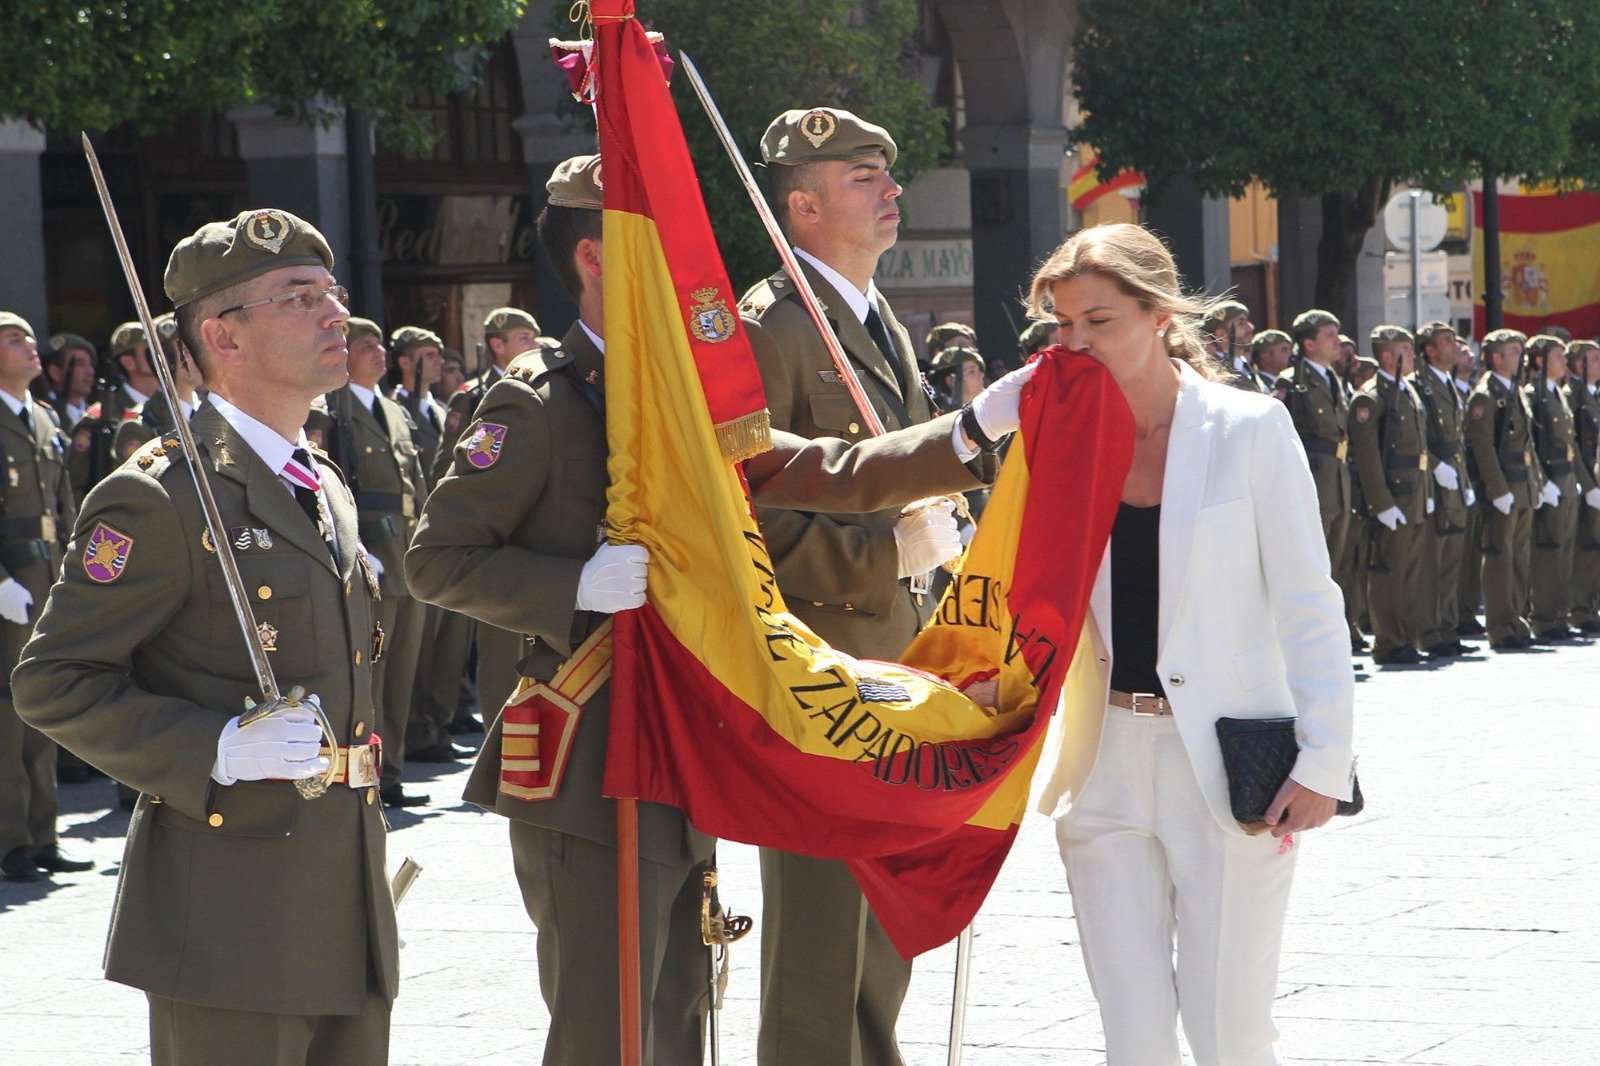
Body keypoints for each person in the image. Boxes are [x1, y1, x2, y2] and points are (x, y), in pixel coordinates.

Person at [406, 154, 1020, 1066]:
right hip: (590, 751)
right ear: (596, 258)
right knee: (608, 1033)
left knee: (680, 1010)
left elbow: (819, 467)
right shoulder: (536, 401)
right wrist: (573, 585)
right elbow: (435, 561)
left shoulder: (687, 395)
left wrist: (968, 432)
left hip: (681, 741)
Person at [13, 208, 398, 1064]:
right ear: (223, 335)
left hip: (344, 896)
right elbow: (53, 680)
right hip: (231, 916)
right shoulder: (159, 498)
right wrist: (216, 746)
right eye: (299, 297)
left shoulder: (321, 481)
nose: (335, 311)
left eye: (330, 290)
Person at [1027, 223, 1355, 1066]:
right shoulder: (1056, 439)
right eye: (1062, 325)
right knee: (1131, 1037)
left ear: (1160, 315)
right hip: (1102, 763)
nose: (1077, 342)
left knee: (1229, 1031)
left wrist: (1324, 760)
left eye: (1098, 321)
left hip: (1229, 762)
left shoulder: (1248, 430)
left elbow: (1309, 604)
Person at [740, 106, 991, 1066]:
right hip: (821, 674)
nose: (890, 188)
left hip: (898, 664)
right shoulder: (772, 330)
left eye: (887, 170)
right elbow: (743, 519)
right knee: (820, 931)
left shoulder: (872, 319)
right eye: (861, 176)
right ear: (801, 205)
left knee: (882, 922)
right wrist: (888, 556)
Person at [307, 316, 432, 806]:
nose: (378, 352)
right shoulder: (332, 411)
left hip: (406, 554)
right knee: (372, 675)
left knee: (400, 674)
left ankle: (393, 771)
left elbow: (414, 485)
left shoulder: (394, 412)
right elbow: (332, 486)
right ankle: (368, 773)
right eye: (365, 345)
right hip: (371, 554)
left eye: (381, 344)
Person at [0, 311, 85, 884]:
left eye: (30, 338)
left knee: (45, 699)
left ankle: (44, 832)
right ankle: (10, 841)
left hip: (50, 576)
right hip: (11, 581)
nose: (31, 347)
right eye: (14, 340)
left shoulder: (44, 417)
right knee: (8, 712)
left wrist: (81, 574)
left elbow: (65, 504)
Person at [434, 306, 546, 731]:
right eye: (523, 339)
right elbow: (450, 466)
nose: (533, 346)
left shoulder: (544, 388)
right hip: (497, 537)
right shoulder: (473, 396)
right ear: (497, 345)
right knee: (500, 649)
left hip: (537, 535)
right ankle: (499, 749)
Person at [1274, 310, 1357, 659]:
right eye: (1329, 335)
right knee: (1314, 562)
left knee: (1338, 558)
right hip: (1314, 476)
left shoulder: (1332, 378)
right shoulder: (1293, 380)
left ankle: (1333, 636)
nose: (1337, 341)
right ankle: (1310, 643)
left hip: (1337, 476)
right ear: (1309, 344)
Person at [1347, 326, 1431, 665]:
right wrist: (1381, 504)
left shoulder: (1406, 390)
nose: (1412, 356)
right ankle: (1389, 641)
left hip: (1413, 492)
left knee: (1409, 570)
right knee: (1389, 571)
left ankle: (1405, 636)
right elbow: (1366, 455)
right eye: (1406, 350)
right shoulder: (1371, 396)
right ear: (1387, 356)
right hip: (1393, 496)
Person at [1465, 329, 1543, 650]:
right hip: (1505, 486)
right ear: (1496, 357)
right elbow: (1483, 447)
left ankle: (1516, 617)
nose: (1519, 356)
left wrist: (1536, 483)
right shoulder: (1486, 395)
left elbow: (1527, 444)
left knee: (1520, 555)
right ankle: (1500, 626)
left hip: (1522, 485)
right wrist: (1497, 489)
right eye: (1513, 351)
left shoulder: (1515, 390)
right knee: (1500, 555)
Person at [1410, 322, 1475, 658]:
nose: (1454, 346)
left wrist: (1463, 481)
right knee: (1432, 563)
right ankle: (1428, 631)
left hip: (1455, 478)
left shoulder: (1448, 383)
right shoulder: (1419, 385)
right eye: (1446, 342)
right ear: (1430, 351)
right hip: (1433, 482)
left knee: (1451, 560)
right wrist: (1437, 466)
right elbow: (1417, 437)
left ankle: (1447, 628)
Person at [1523, 334, 1582, 640]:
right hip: (1550, 478)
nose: (1563, 362)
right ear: (1538, 360)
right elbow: (1530, 443)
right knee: (1548, 552)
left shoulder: (1556, 393)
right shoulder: (1533, 394)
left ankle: (1560, 615)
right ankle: (1544, 619)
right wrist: (1542, 483)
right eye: (1557, 356)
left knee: (1564, 552)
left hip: (1566, 477)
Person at [66, 321, 160, 500]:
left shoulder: (172, 407)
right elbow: (76, 487)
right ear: (128, 361)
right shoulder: (98, 419)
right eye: (149, 348)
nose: (159, 352)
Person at [1564, 339, 1600, 632]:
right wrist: (1588, 485)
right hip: (1584, 480)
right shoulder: (1571, 396)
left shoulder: (1591, 394)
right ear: (1579, 365)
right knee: (1586, 548)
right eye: (1595, 359)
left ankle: (1590, 606)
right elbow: (1572, 446)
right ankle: (1581, 610)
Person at [1203, 299, 1266, 391]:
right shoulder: (1214, 373)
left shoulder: (1246, 367)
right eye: (1241, 323)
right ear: (1221, 335)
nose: (1251, 328)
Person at [926, 343, 988, 412]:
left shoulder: (987, 408)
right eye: (972, 371)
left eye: (979, 370)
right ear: (951, 381)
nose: (981, 375)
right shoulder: (937, 414)